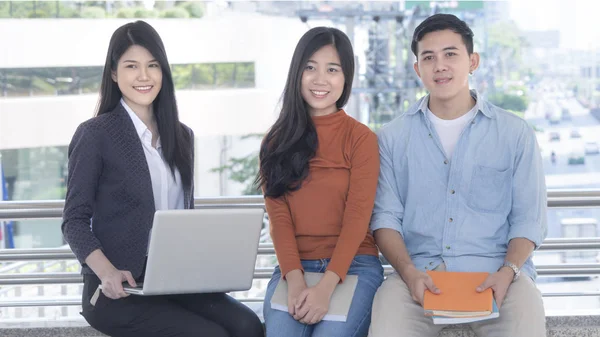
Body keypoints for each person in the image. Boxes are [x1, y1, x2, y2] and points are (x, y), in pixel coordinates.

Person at [61, 20, 263, 337]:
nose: (144, 76)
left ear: (163, 72)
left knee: (248, 326)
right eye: (131, 66)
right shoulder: (95, 135)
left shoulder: (182, 137)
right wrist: (107, 272)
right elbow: (73, 220)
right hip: (117, 289)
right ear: (114, 73)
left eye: (152, 65)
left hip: (175, 280)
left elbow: (184, 217)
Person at [368, 14, 547, 337]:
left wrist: (508, 272)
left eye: (451, 54)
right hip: (418, 278)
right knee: (386, 322)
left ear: (472, 61)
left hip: (499, 276)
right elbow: (385, 219)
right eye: (429, 57)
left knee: (526, 316)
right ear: (417, 69)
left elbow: (528, 219)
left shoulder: (514, 133)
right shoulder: (391, 138)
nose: (440, 66)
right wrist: (409, 274)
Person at [257, 26, 384, 337]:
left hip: (354, 266)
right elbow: (279, 220)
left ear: (345, 78)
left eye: (332, 69)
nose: (320, 79)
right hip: (294, 268)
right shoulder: (275, 142)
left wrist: (326, 286)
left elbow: (358, 218)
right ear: (297, 73)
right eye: (310, 68)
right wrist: (296, 280)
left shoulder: (361, 139)